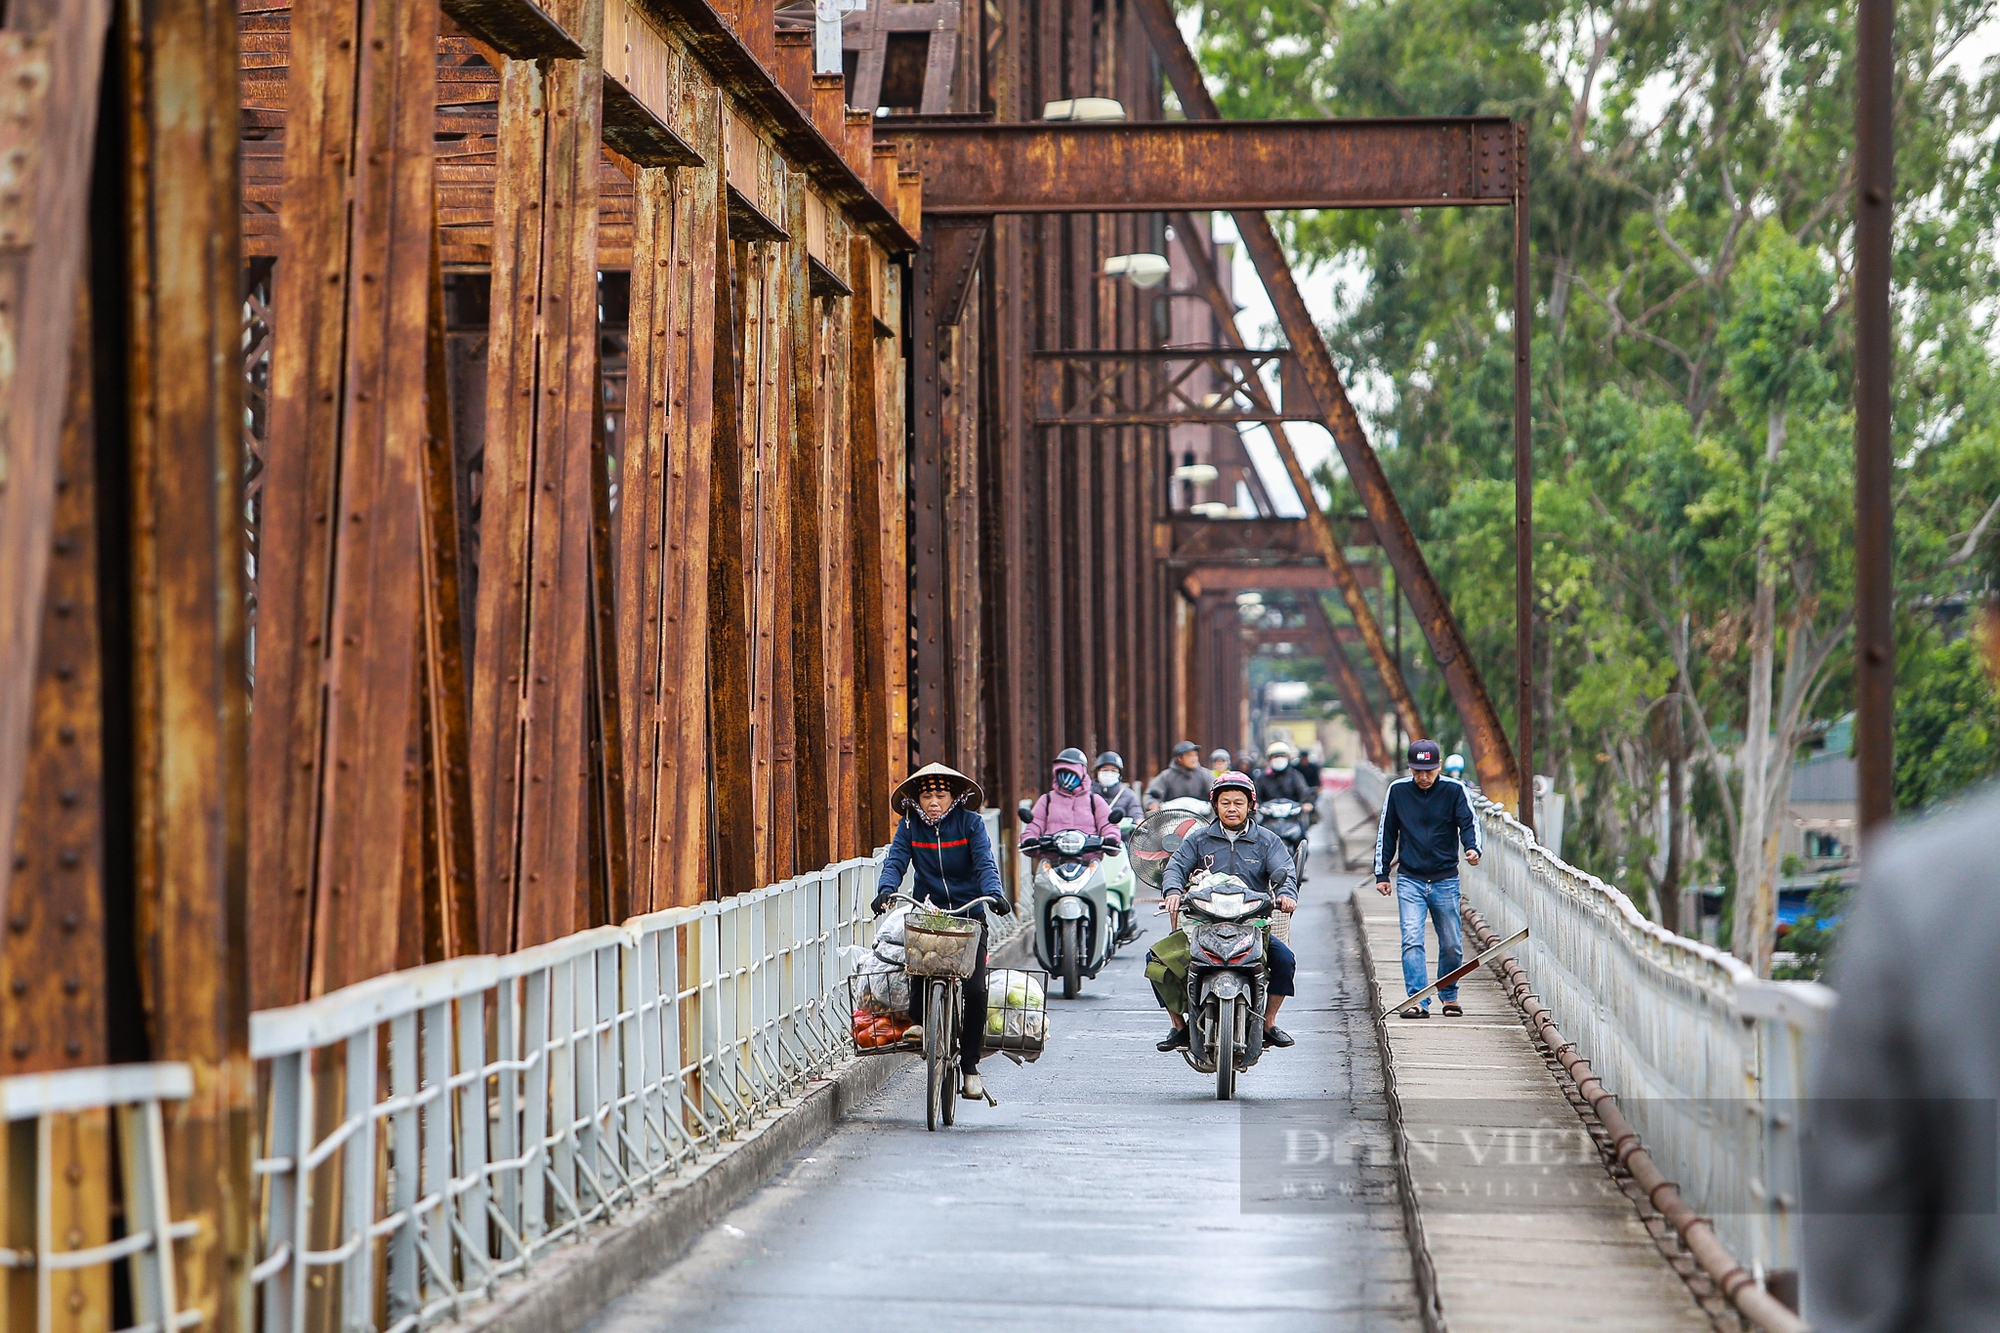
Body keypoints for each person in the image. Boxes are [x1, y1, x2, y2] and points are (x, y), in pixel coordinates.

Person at [873, 763, 1010, 1101]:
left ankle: (971, 1067)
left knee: (976, 990)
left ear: (954, 797)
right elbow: (896, 861)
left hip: (969, 914)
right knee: (918, 965)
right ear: (917, 799)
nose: (933, 801)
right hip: (929, 911)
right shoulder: (909, 826)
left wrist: (995, 894)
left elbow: (984, 862)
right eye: (927, 795)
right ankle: (921, 1020)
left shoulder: (971, 824)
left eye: (941, 794)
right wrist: (886, 889)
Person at [1147, 771, 1299, 1051]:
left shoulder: (1267, 841)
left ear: (1250, 805)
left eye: (1238, 802)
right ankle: (1178, 1026)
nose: (1232, 808)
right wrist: (1172, 892)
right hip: (1203, 923)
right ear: (1214, 805)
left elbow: (1285, 872)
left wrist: (1286, 894)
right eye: (1225, 802)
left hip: (1252, 924)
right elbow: (1176, 868)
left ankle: (1268, 1022)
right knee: (1158, 961)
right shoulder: (1197, 840)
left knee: (1284, 961)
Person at [1373, 739, 1480, 1018]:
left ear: (1439, 767)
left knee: (1452, 943)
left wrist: (1472, 847)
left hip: (1445, 879)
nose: (1423, 777)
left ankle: (1448, 994)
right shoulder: (1397, 791)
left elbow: (1468, 822)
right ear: (1409, 768)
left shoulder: (1454, 790)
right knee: (1411, 938)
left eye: (1429, 771)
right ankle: (1418, 999)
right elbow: (1387, 831)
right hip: (1410, 878)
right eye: (1418, 771)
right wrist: (1382, 873)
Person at [1020, 748, 1123, 861]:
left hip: (1088, 864)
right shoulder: (1047, 800)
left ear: (1082, 773)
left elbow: (1108, 825)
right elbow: (1034, 825)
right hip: (1052, 864)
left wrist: (1111, 839)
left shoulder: (1094, 800)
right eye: (1062, 772)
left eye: (1071, 772)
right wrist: (1029, 840)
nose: (1066, 776)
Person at [1144, 740, 1212, 810]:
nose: (1194, 758)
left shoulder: (1206, 775)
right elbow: (1152, 794)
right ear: (1179, 758)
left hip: (1203, 818)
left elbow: (1216, 793)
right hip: (1173, 818)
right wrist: (1152, 804)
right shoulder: (1166, 777)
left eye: (1195, 755)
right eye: (1190, 755)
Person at [1255, 739, 1314, 805]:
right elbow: (1257, 794)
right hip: (1268, 813)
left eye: (1282, 756)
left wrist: (1306, 802)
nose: (1279, 759)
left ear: (1287, 758)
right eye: (1276, 756)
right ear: (1270, 759)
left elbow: (1303, 791)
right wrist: (1256, 803)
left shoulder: (1295, 776)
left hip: (1292, 813)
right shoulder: (1263, 778)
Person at [1091, 751, 1144, 823]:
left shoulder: (1129, 795)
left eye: (1113, 771)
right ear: (1097, 772)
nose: (1109, 774)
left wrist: (1138, 822)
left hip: (1121, 834)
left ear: (1120, 774)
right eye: (1105, 770)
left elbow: (1137, 816)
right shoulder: (1087, 793)